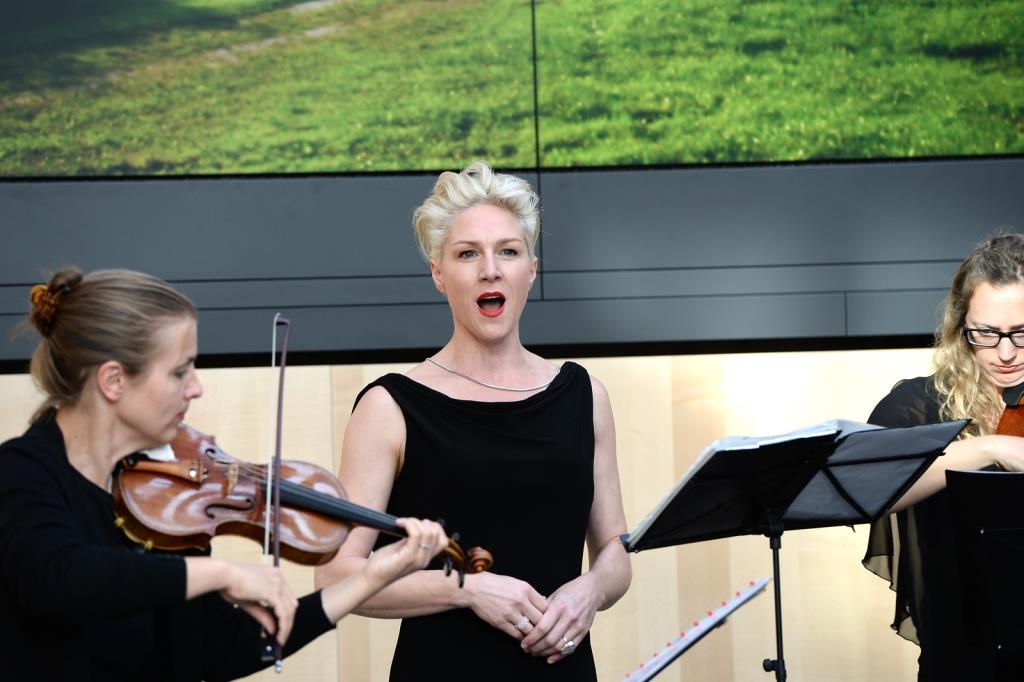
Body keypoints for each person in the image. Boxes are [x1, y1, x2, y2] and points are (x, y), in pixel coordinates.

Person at [0, 267, 449, 682]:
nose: (196, 387)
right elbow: (57, 579)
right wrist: (222, 573)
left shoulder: (163, 501)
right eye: (180, 371)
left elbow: (219, 649)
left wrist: (369, 579)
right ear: (113, 380)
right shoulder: (21, 471)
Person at [314, 161, 632, 680]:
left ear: (531, 269)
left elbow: (615, 551)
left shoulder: (585, 396)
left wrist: (590, 591)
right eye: (467, 254)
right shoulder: (390, 406)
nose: (490, 269)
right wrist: (467, 590)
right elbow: (335, 575)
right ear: (439, 273)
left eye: (508, 251)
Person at [862, 232, 1024, 680]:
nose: (1006, 353)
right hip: (961, 656)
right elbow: (872, 490)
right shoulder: (919, 404)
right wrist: (989, 447)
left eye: (1022, 333)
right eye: (985, 333)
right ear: (960, 327)